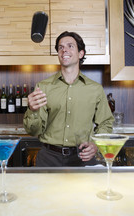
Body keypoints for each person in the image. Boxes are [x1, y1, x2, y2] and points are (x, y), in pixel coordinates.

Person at [23, 31, 114, 167]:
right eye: (60, 47)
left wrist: (96, 145)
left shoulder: (95, 89)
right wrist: (33, 111)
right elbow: (33, 131)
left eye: (70, 46)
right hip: (49, 158)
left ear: (81, 54)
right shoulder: (43, 87)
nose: (64, 49)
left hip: (83, 157)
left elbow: (105, 123)